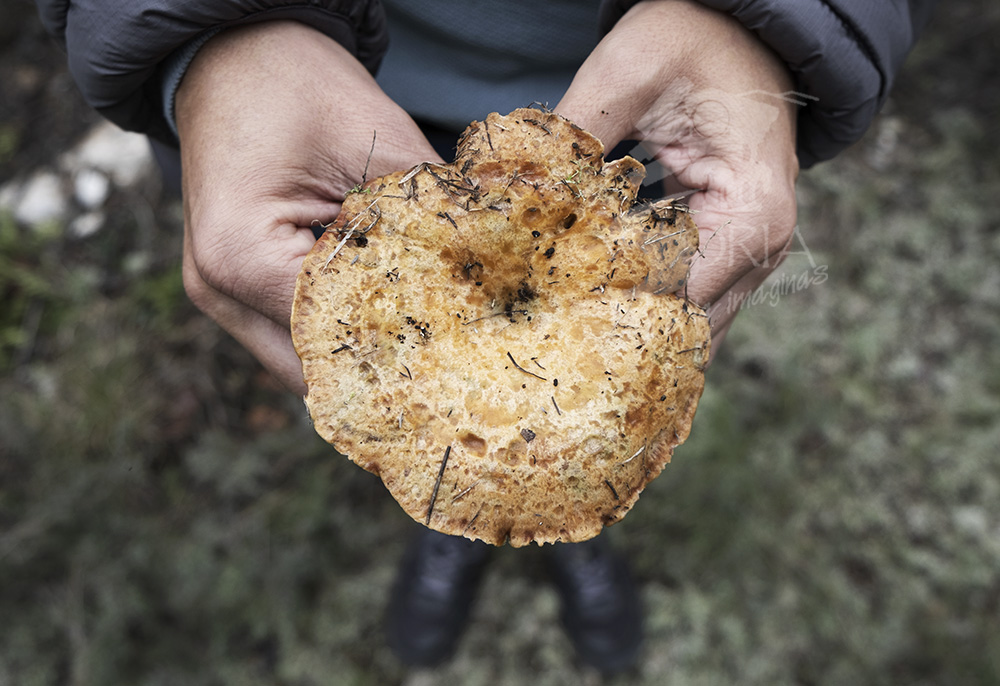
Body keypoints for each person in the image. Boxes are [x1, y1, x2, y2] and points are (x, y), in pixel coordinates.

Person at [36, 0, 935, 673]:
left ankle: (570, 529)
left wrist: (777, 20)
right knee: (417, 403)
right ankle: (459, 522)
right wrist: (212, 39)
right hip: (331, 126)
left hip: (641, 142)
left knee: (597, 414)